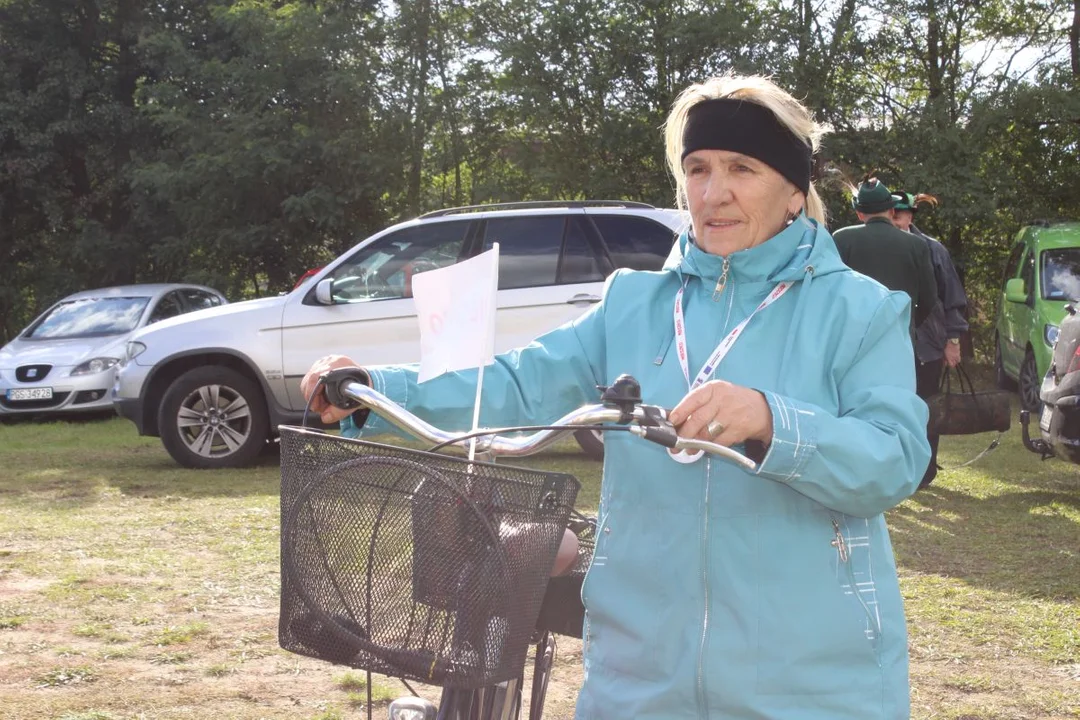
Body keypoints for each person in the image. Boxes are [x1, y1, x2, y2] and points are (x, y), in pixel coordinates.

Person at [302, 75, 930, 720]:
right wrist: (377, 389)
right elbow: (517, 381)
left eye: (742, 168)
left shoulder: (860, 309)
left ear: (795, 189)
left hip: (807, 677)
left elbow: (894, 461)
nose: (714, 193)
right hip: (640, 670)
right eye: (698, 169)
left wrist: (773, 421)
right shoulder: (632, 301)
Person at [893, 191, 969, 488]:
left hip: (928, 345)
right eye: (890, 214)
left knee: (927, 408)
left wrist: (953, 340)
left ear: (910, 216)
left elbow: (952, 297)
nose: (894, 220)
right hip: (893, 345)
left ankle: (925, 472)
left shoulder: (933, 249)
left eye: (899, 215)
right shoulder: (883, 247)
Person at [832, 179, 940, 342]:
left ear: (860, 214)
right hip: (899, 338)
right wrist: (908, 323)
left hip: (854, 340)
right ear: (891, 210)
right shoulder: (916, 245)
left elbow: (832, 291)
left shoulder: (841, 239)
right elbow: (930, 297)